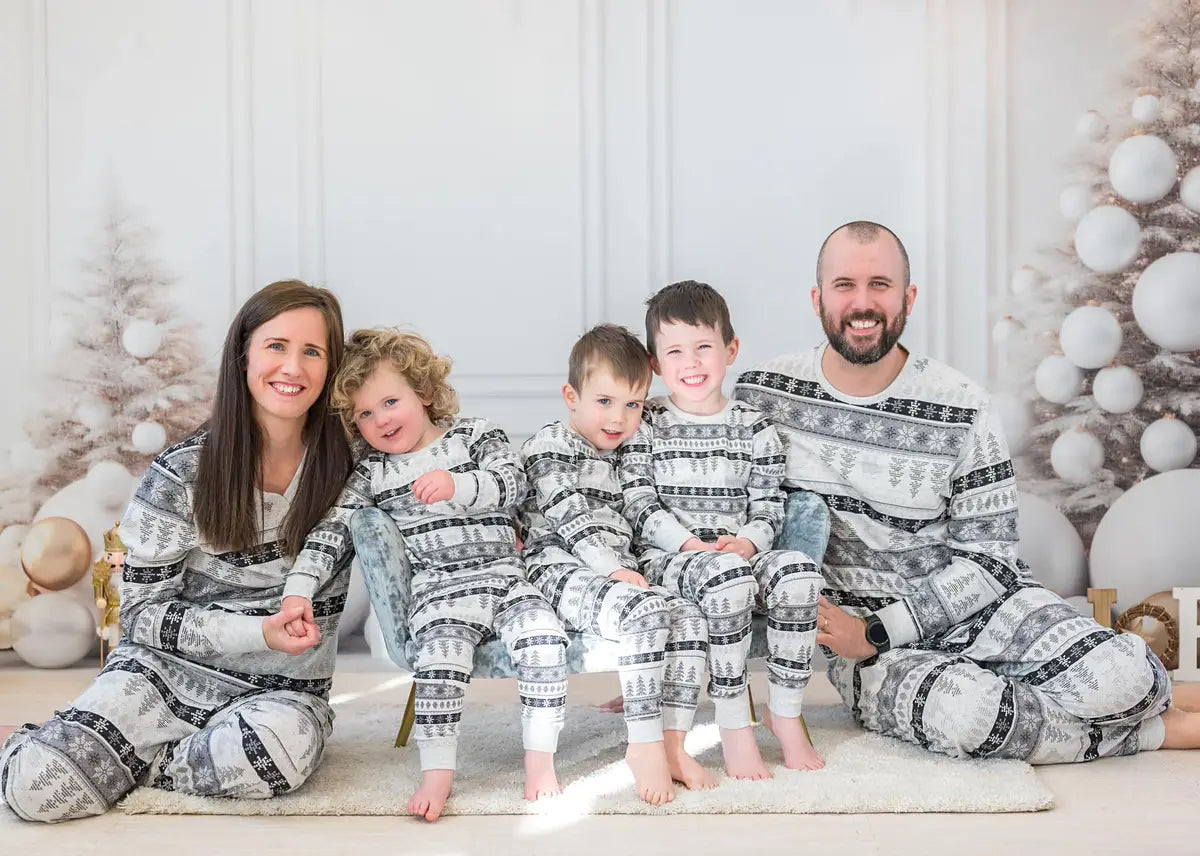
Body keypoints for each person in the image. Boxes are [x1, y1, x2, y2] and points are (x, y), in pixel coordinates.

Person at [734, 220, 1200, 763]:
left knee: (1127, 677)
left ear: (908, 298)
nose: (863, 303)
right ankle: (1158, 730)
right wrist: (675, 661)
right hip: (858, 649)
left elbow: (991, 561)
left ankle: (1147, 705)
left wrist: (883, 629)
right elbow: (708, 511)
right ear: (818, 298)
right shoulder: (762, 396)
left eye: (880, 285)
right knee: (971, 718)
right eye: (845, 285)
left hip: (979, 608)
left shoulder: (962, 403)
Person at [0, 280, 354, 822]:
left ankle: (133, 762)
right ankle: (61, 743)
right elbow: (140, 615)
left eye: (313, 352)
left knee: (275, 758)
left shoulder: (354, 472)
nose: (293, 367)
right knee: (36, 793)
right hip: (160, 674)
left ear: (331, 370)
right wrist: (256, 632)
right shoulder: (181, 474)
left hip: (282, 692)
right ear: (243, 356)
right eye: (276, 346)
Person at [286, 328, 568, 822]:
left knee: (543, 641)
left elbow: (513, 482)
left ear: (426, 393)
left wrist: (457, 484)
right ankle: (438, 773)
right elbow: (332, 530)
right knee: (439, 662)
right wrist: (299, 588)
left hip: (505, 577)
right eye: (365, 414)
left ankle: (539, 760)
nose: (381, 420)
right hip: (440, 592)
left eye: (391, 401)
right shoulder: (372, 473)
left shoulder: (476, 435)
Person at [621, 281, 826, 780]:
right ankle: (734, 724)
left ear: (730, 350)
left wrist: (750, 541)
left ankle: (785, 711)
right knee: (729, 578)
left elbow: (770, 506)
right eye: (674, 352)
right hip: (673, 561)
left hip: (739, 553)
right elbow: (639, 503)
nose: (690, 363)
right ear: (655, 364)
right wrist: (690, 544)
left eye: (703, 347)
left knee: (798, 571)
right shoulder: (646, 424)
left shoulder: (755, 429)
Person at [520, 323, 714, 805]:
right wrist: (612, 570)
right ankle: (642, 745)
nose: (618, 418)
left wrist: (690, 546)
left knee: (689, 617)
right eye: (604, 401)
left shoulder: (628, 451)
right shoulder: (550, 446)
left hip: (617, 575)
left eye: (633, 405)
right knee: (644, 610)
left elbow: (642, 510)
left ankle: (673, 742)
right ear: (572, 395)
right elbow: (570, 517)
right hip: (559, 568)